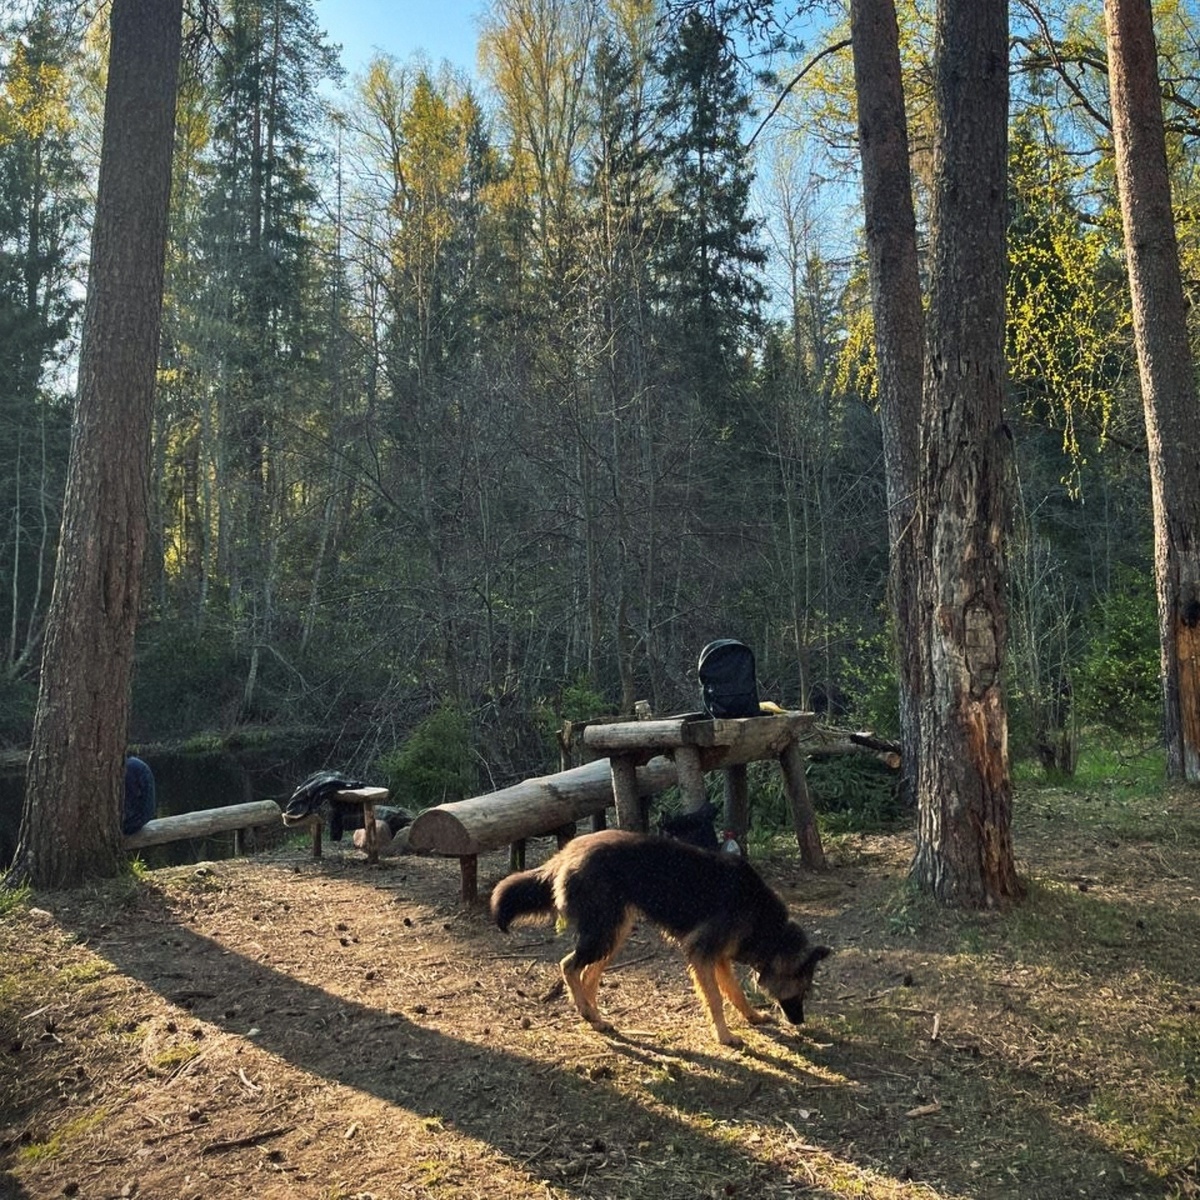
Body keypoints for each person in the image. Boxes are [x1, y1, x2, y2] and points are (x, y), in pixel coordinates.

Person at [123, 755, 156, 836]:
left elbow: (130, 798)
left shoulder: (131, 768)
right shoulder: (134, 765)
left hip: (133, 821)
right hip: (141, 818)